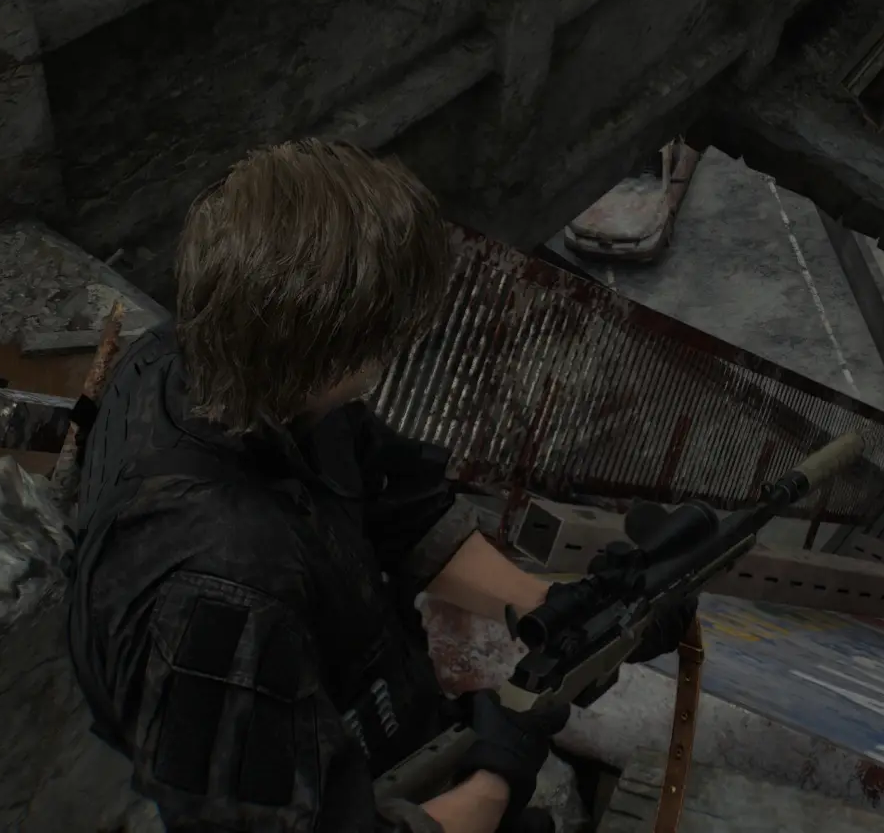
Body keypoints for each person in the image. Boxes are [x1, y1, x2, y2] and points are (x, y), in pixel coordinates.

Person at [65, 140, 694, 833]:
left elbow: (395, 501)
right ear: (331, 353)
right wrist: (496, 779)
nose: (396, 353)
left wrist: (547, 607)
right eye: (387, 338)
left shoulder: (221, 361)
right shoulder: (216, 598)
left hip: (372, 714)